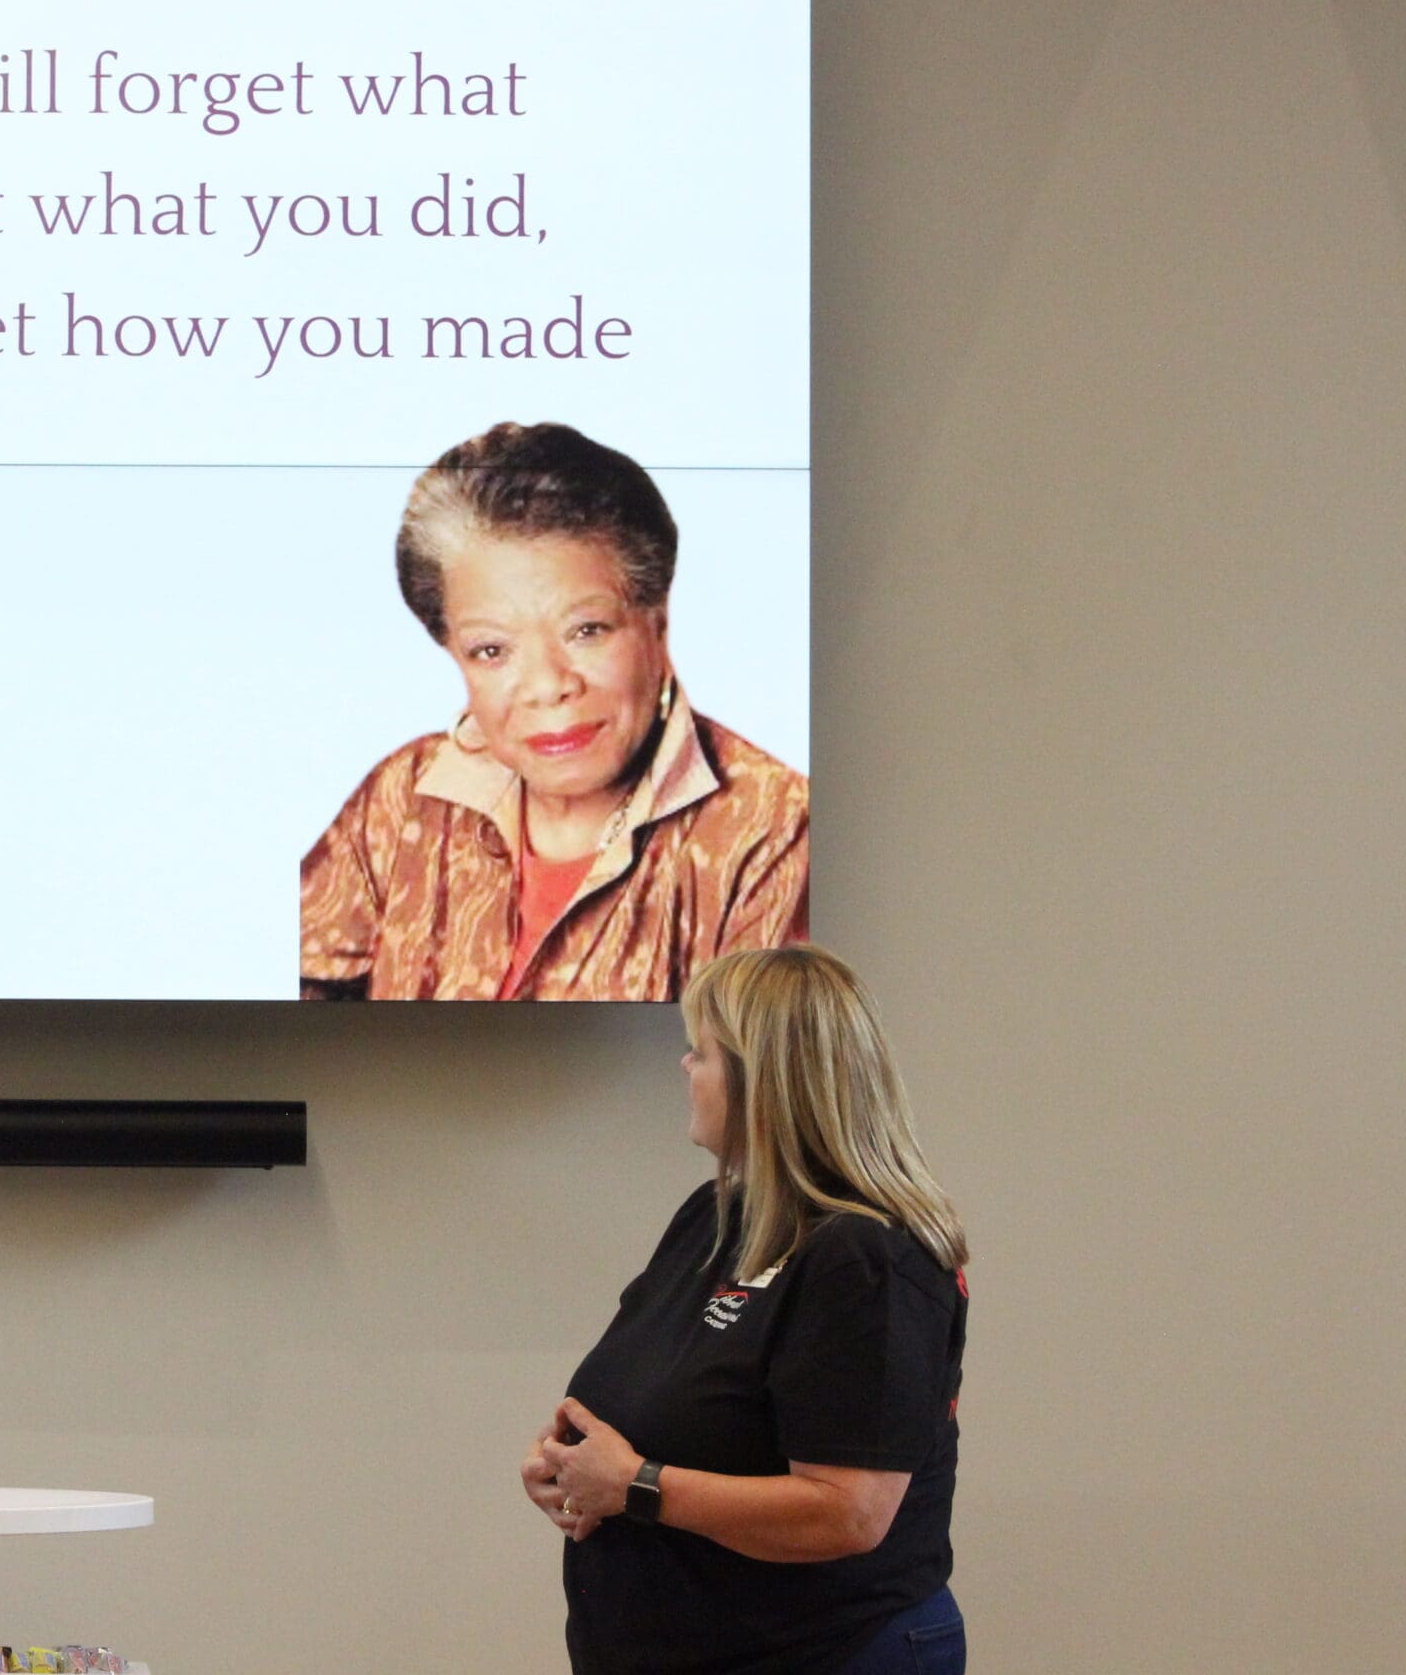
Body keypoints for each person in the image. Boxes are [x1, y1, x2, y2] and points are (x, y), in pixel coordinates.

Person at [521, 945, 969, 1675]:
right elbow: (663, 1401)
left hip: (824, 1651)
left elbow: (849, 1511)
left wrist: (635, 1485)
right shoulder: (717, 1213)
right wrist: (572, 1468)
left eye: (701, 1051)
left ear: (766, 1082)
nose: (684, 1069)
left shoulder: (868, 1257)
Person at [301, 420, 807, 1000]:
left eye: (586, 630)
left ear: (657, 621)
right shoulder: (403, 796)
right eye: (492, 650)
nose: (547, 686)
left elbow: (764, 1073)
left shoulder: (774, 831)